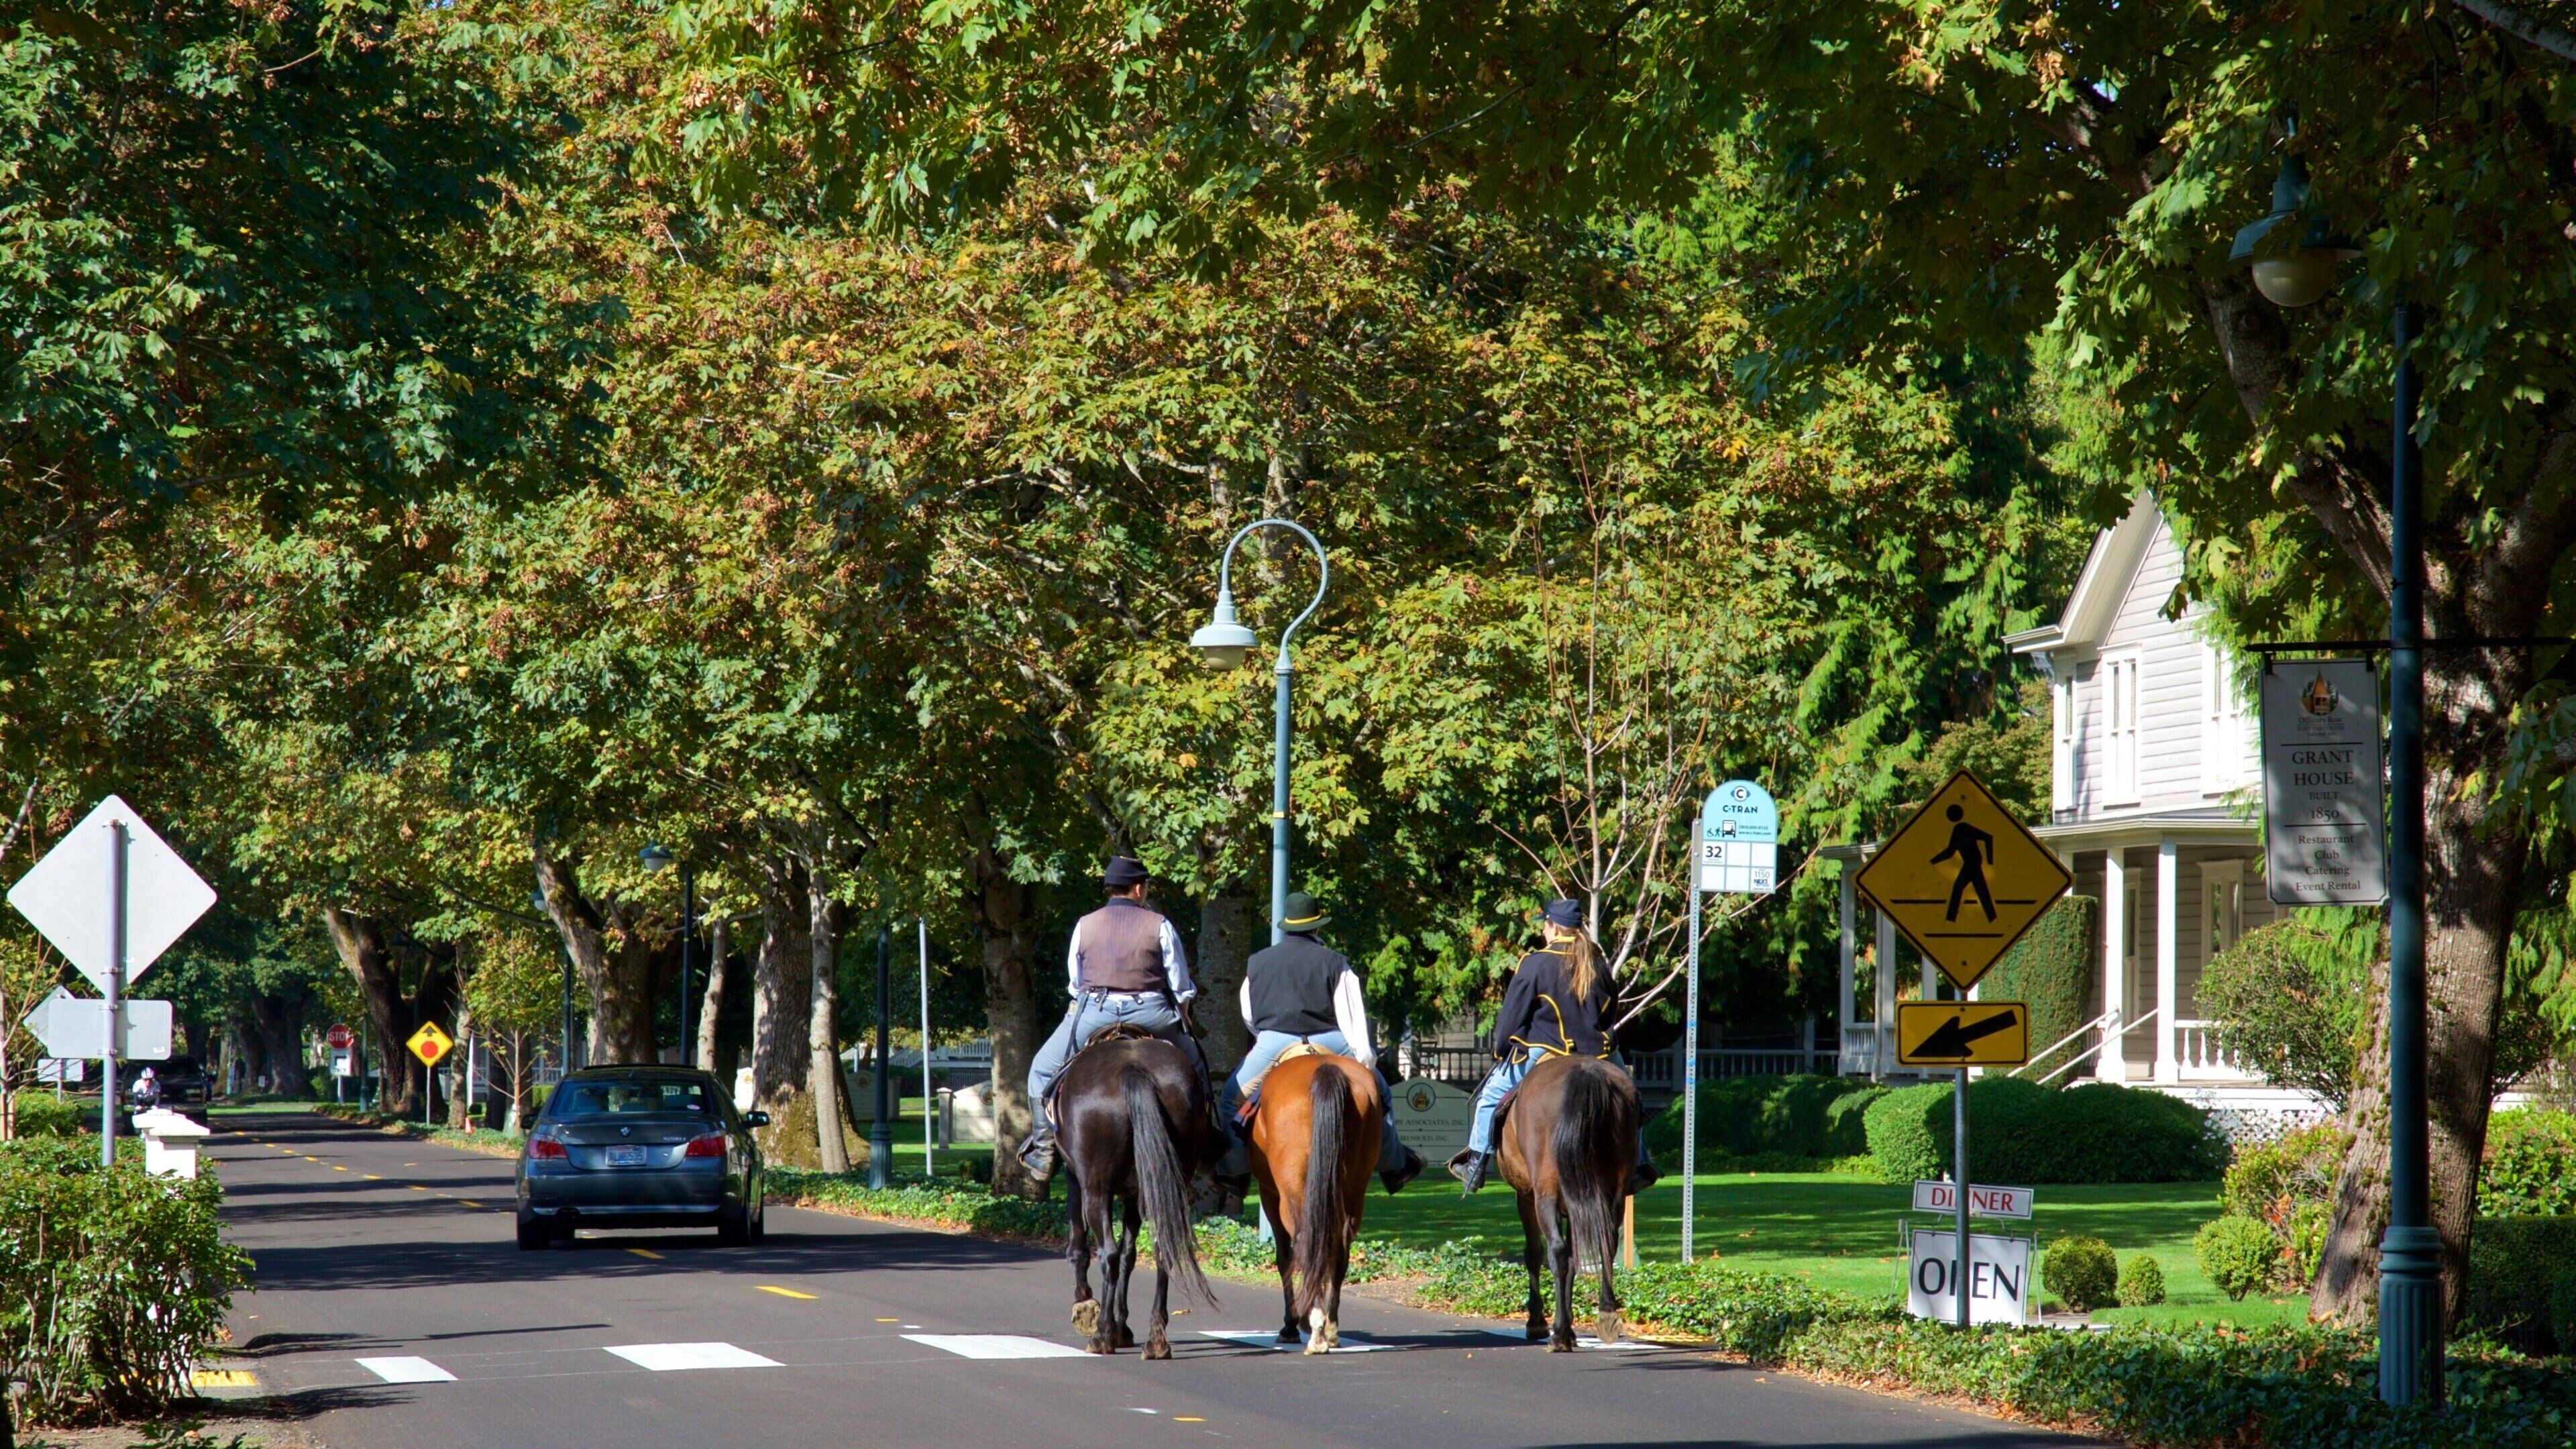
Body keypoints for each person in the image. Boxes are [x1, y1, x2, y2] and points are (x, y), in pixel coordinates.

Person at [1214, 892, 1426, 1195]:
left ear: (1287, 926)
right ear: (1316, 927)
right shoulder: (1336, 962)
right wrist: (1365, 1062)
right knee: (1381, 1093)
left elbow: (1249, 1015)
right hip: (1331, 1040)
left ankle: (1234, 1171)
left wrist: (1267, 1038)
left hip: (1274, 1041)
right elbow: (1351, 1017)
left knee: (1230, 1098)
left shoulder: (1257, 963)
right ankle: (1395, 1166)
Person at [1447, 898, 1660, 1195]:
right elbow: (1610, 1012)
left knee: (1489, 1097)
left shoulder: (1535, 964)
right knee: (1630, 1097)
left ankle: (1476, 1164)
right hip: (1599, 1052)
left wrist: (1501, 1050)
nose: (1543, 932)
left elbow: (1511, 1017)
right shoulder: (1598, 964)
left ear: (1554, 928)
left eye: (1545, 926)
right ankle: (1638, 1165)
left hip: (1546, 1049)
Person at [1019, 855, 1205, 1181]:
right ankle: (1207, 1142)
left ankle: (1044, 1149)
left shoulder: (1085, 924)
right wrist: (1184, 1019)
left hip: (1096, 1011)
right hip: (1152, 1012)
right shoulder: (1160, 924)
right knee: (1196, 1067)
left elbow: (1076, 983)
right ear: (1138, 888)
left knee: (1040, 1069)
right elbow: (1179, 983)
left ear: (1111, 888)